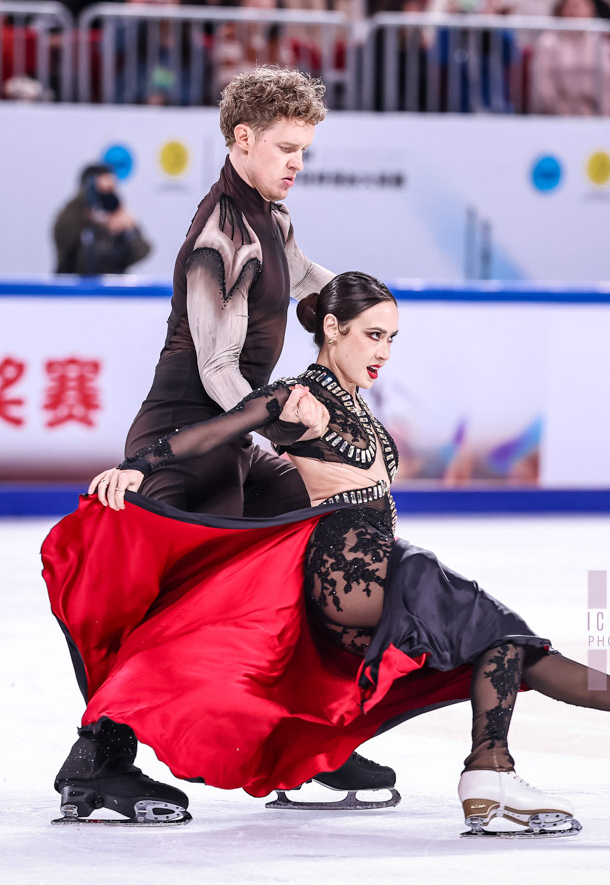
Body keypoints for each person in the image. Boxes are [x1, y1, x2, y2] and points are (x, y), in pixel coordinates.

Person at [44, 272, 610, 835]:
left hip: (376, 564)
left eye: (392, 338)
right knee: (497, 629)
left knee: (503, 642)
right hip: (350, 568)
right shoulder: (300, 399)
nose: (383, 352)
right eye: (372, 335)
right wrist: (138, 466)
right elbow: (216, 431)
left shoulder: (355, 401)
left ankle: (541, 754)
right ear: (332, 329)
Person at [52, 67, 396, 823]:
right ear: (243, 139)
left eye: (304, 150)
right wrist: (282, 424)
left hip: (233, 438)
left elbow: (311, 282)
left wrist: (369, 311)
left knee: (318, 534)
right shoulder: (219, 239)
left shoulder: (272, 216)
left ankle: (309, 737)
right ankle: (98, 759)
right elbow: (216, 369)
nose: (297, 163)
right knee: (179, 606)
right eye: (286, 148)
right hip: (185, 438)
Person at [53, 164, 152, 275]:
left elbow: (142, 252)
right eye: (102, 190)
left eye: (111, 190)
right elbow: (62, 236)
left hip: (112, 285)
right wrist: (90, 192)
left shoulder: (115, 222)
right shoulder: (73, 217)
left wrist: (131, 229)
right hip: (74, 285)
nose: (106, 194)